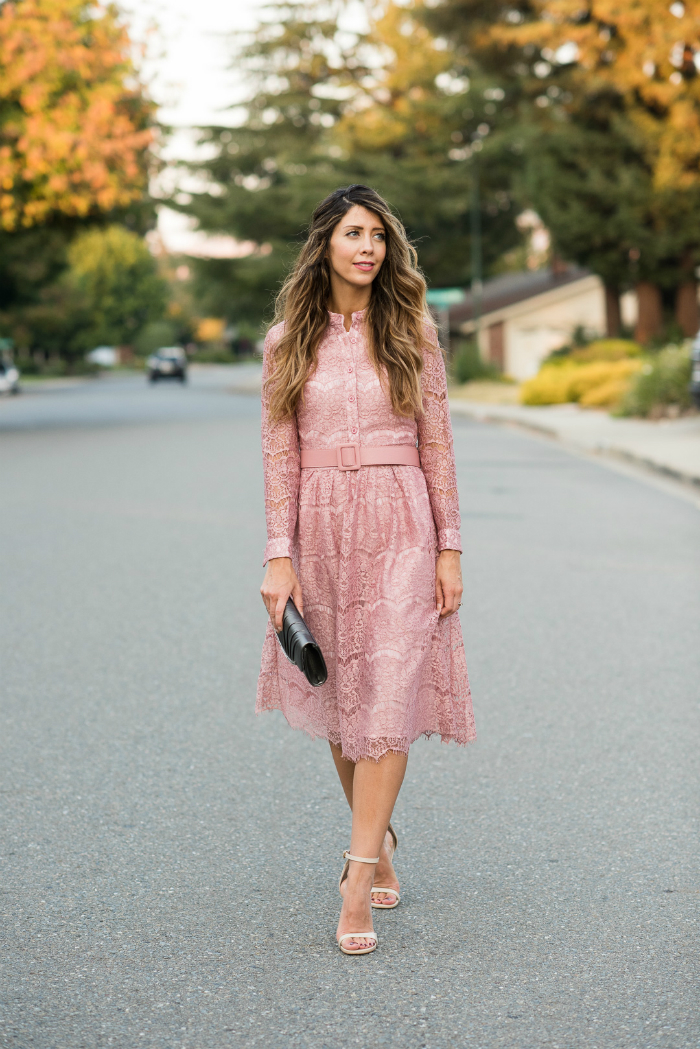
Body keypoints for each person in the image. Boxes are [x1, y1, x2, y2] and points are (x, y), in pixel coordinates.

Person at [257, 185, 475, 955]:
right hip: (318, 526)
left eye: (379, 236)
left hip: (402, 521)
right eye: (354, 233)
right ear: (326, 244)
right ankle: (375, 836)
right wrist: (278, 555)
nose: (368, 248)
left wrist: (450, 545)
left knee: (387, 688)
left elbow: (439, 442)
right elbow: (279, 455)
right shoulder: (288, 341)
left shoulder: (412, 330)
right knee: (344, 693)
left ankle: (356, 879)